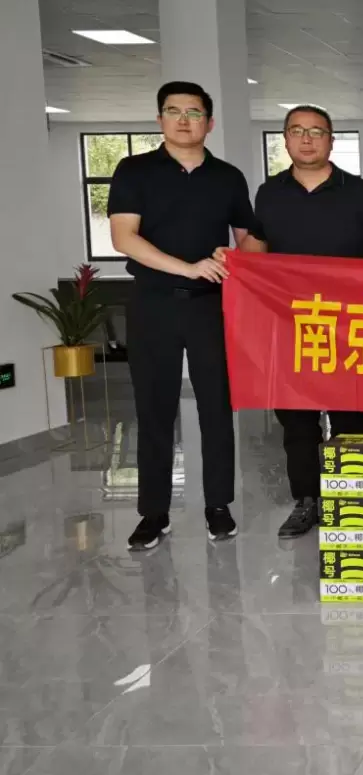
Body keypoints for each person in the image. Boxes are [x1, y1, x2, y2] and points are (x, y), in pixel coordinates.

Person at [224, 104, 363, 539]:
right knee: (297, 420)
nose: (306, 139)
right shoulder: (270, 193)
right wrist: (234, 261)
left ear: (331, 140)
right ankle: (307, 500)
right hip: (288, 324)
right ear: (285, 139)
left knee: (348, 416)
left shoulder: (361, 193)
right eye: (297, 131)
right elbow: (257, 249)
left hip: (346, 326)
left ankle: (353, 496)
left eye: (317, 131)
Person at [108, 81, 255, 550]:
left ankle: (218, 506)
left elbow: (250, 238)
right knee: (154, 409)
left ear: (209, 123)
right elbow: (123, 238)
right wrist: (187, 267)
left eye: (194, 112)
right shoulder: (134, 170)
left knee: (217, 407)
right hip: (152, 302)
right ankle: (153, 513)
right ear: (160, 120)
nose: (184, 120)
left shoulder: (228, 177)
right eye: (173, 111)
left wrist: (236, 255)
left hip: (212, 305)